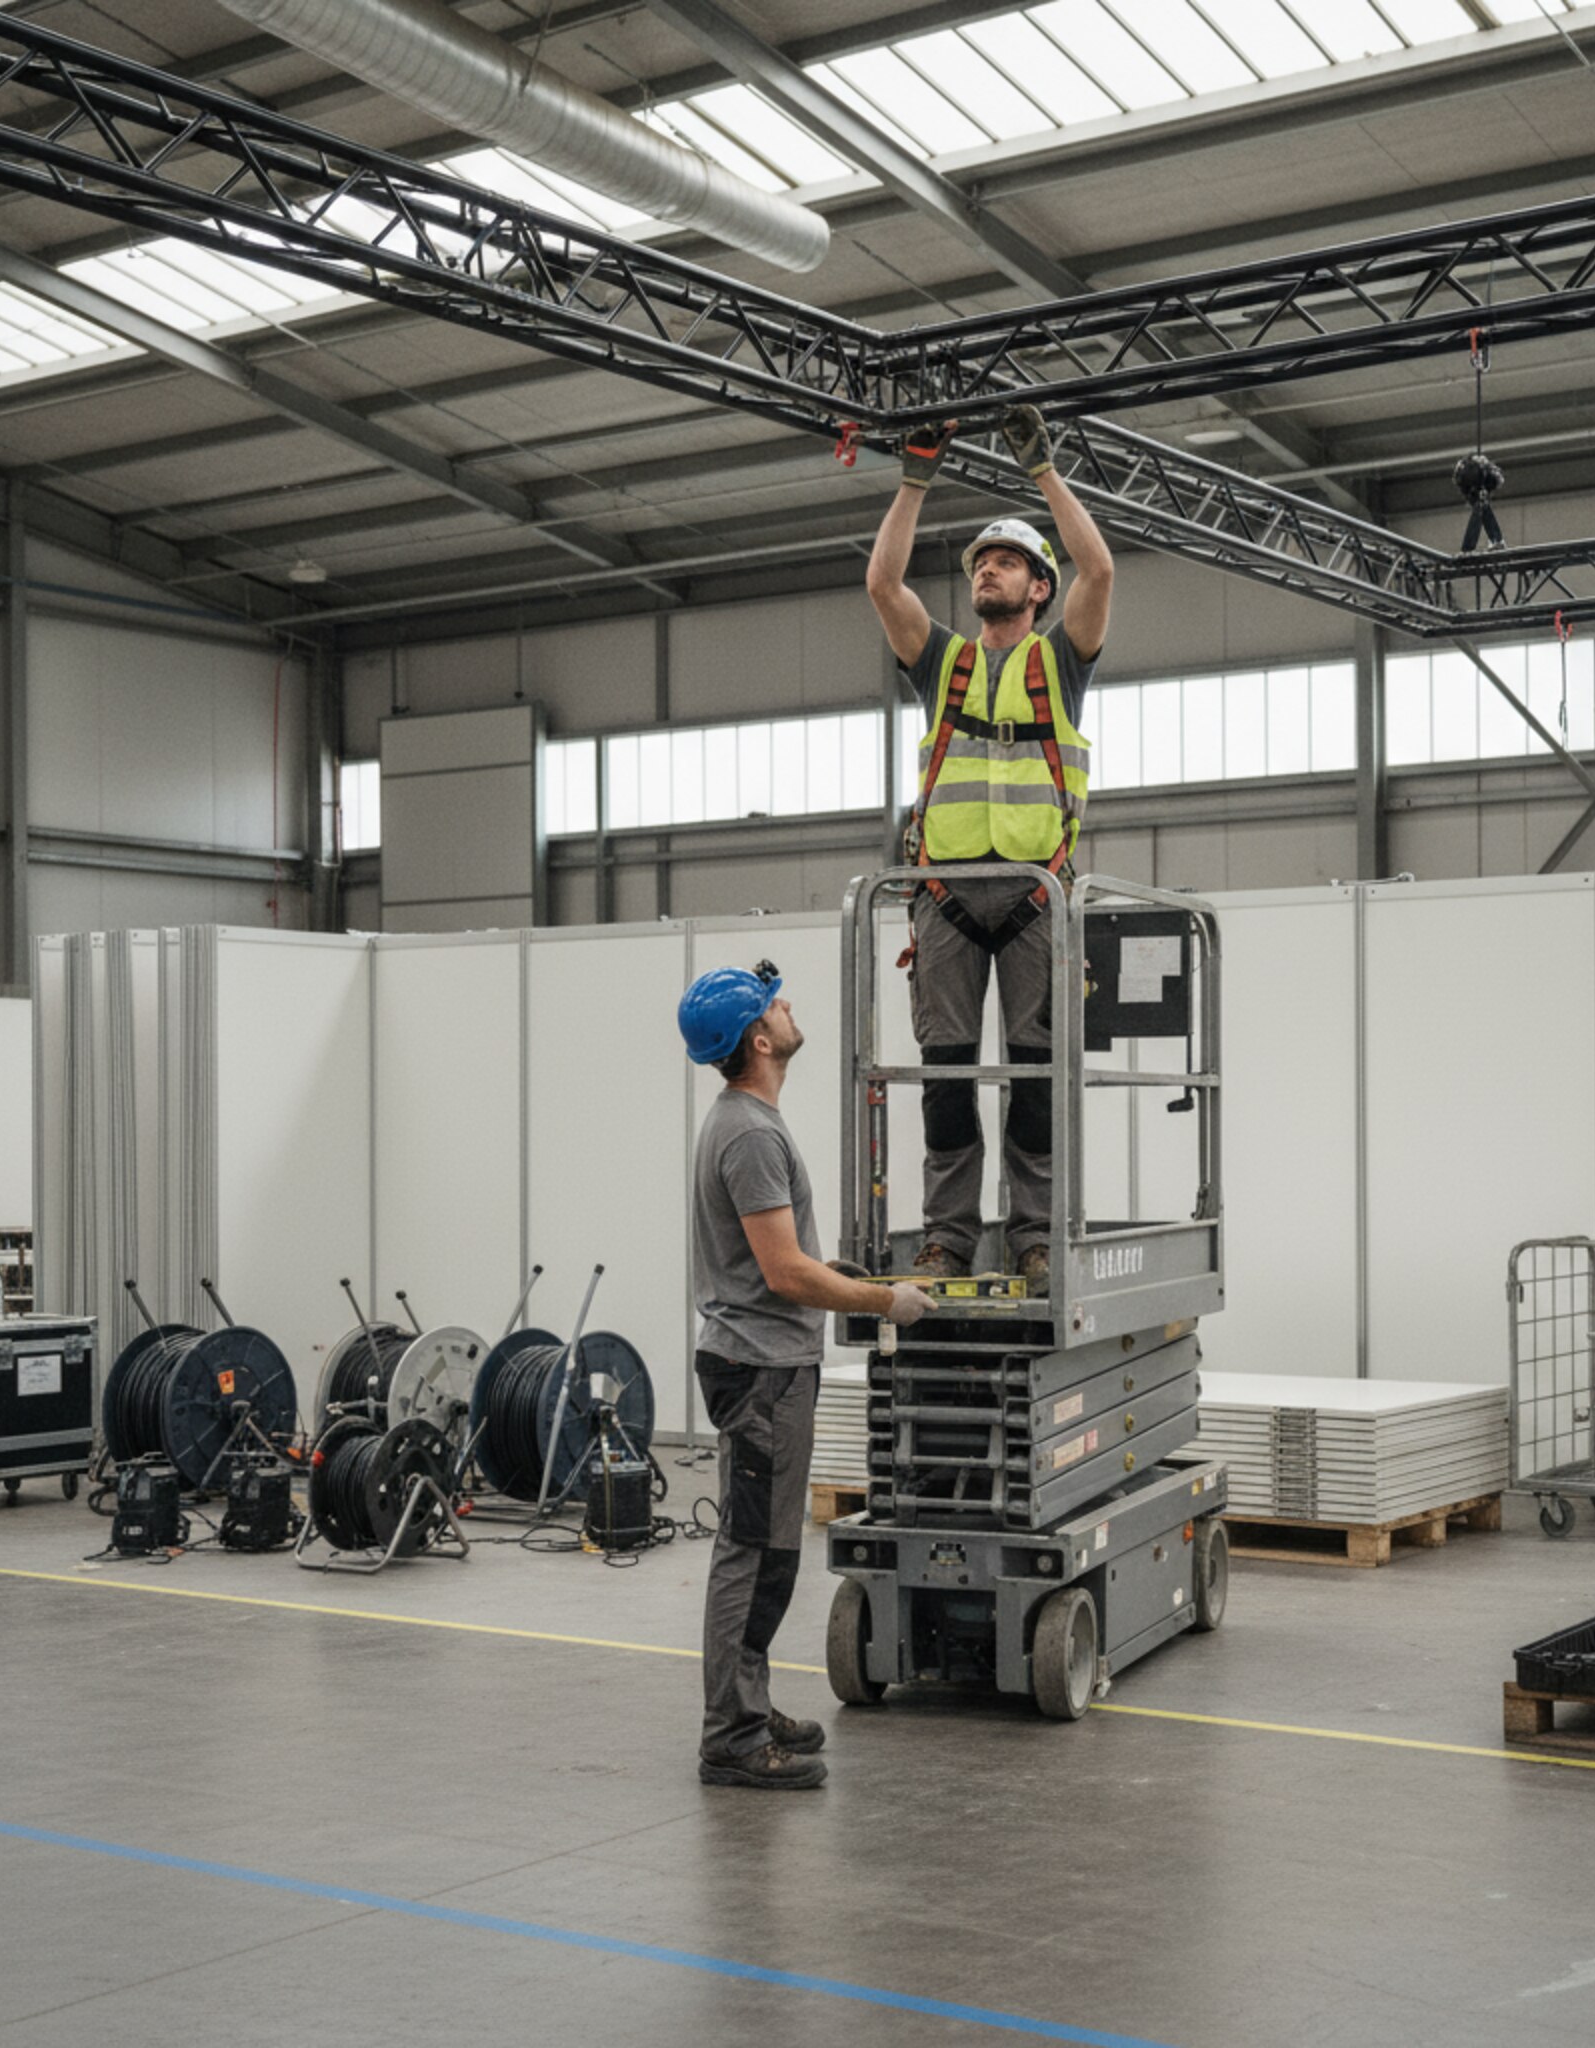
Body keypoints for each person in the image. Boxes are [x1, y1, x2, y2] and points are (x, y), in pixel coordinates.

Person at [865, 402, 1115, 1293]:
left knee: (1037, 1078)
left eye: (1006, 561)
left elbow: (1101, 568)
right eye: (980, 562)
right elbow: (884, 583)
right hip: (944, 899)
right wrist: (915, 479)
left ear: (1039, 587)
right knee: (945, 1080)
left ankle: (1036, 1237)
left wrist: (1044, 469)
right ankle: (947, 1238)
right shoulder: (944, 664)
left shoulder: (1061, 663)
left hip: (1037, 897)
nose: (987, 570)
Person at [678, 961, 932, 1790]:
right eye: (773, 1005)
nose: (787, 1007)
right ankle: (733, 1736)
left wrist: (840, 1278)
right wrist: (884, 1301)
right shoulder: (751, 1133)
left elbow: (783, 1261)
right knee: (754, 1554)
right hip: (762, 1370)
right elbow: (784, 1273)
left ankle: (747, 1704)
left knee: (770, 1552)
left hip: (766, 1363)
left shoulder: (748, 1120)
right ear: (759, 1040)